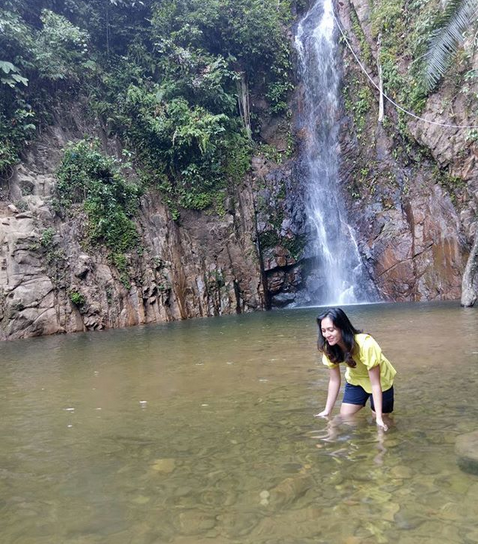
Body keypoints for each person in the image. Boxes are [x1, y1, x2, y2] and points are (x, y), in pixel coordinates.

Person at [315, 308, 396, 431]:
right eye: (324, 331)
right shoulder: (329, 348)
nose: (327, 335)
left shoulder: (365, 344)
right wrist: (327, 410)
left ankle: (386, 443)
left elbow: (375, 383)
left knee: (381, 422)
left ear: (343, 327)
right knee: (344, 417)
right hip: (356, 381)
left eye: (331, 330)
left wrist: (379, 418)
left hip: (381, 381)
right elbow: (334, 381)